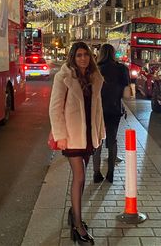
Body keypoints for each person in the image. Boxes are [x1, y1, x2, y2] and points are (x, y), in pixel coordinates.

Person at [49, 41, 105, 244]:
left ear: (90, 57)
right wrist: (60, 135)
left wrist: (100, 131)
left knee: (83, 176)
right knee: (79, 177)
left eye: (86, 55)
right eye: (79, 55)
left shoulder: (95, 77)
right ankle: (78, 225)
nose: (83, 58)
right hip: (72, 136)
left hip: (89, 135)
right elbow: (55, 108)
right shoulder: (63, 77)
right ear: (72, 57)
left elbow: (97, 109)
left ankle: (74, 212)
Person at [93, 44, 130, 183]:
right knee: (112, 140)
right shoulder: (122, 69)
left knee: (97, 141)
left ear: (101, 53)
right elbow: (127, 95)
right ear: (114, 54)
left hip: (98, 110)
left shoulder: (95, 69)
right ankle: (111, 173)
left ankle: (96, 174)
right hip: (115, 109)